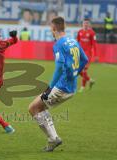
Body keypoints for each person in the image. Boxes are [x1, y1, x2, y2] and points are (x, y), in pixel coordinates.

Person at [28, 17, 88, 152]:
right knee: (40, 108)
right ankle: (53, 138)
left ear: (54, 28)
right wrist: (74, 74)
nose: (50, 30)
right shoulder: (73, 41)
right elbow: (85, 59)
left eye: (51, 28)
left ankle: (53, 139)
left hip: (62, 87)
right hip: (71, 86)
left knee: (33, 108)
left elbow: (60, 66)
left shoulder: (59, 44)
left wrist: (49, 88)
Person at [77, 18, 96, 92]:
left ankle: (82, 87)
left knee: (84, 70)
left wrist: (95, 55)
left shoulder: (92, 33)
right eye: (84, 23)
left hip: (87, 54)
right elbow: (77, 42)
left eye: (87, 23)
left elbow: (94, 44)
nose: (85, 24)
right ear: (82, 24)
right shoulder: (80, 32)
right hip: (80, 54)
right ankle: (90, 80)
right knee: (78, 70)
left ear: (89, 24)